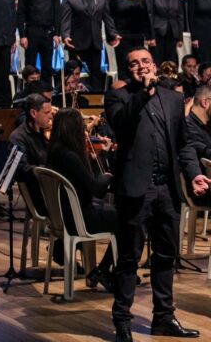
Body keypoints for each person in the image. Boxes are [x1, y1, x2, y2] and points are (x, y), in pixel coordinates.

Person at [104, 47, 209, 341]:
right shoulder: (119, 97)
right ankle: (122, 320)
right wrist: (144, 94)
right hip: (136, 189)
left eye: (146, 61)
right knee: (128, 258)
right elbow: (121, 124)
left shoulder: (174, 99)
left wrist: (193, 173)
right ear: (128, 70)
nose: (141, 66)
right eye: (134, 63)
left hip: (167, 188)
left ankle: (163, 317)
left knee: (165, 256)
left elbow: (184, 143)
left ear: (154, 64)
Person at [46, 108, 117, 292]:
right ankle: (104, 270)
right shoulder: (70, 156)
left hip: (66, 215)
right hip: (80, 218)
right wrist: (108, 176)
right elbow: (95, 188)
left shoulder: (55, 151)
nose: (85, 130)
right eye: (81, 126)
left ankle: (104, 270)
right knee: (131, 218)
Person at [60, 0, 121, 91]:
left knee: (96, 75)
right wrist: (65, 35)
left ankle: (96, 103)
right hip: (76, 43)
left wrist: (113, 34)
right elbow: (65, 20)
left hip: (95, 43)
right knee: (73, 75)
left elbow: (107, 19)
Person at [18, 0, 61, 86]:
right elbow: (20, 12)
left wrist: (57, 34)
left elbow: (57, 12)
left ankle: (47, 97)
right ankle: (29, 95)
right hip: (31, 31)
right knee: (30, 66)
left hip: (48, 31)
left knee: (47, 66)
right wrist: (22, 35)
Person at [109, 0, 149, 79]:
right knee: (124, 66)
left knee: (139, 65)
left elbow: (146, 18)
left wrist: (149, 36)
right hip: (123, 37)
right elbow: (110, 18)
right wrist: (112, 36)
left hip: (138, 36)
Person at [146, 0, 183, 65]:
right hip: (158, 34)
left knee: (171, 62)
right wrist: (151, 37)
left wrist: (180, 37)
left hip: (172, 33)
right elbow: (150, 16)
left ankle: (170, 80)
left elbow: (179, 17)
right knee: (157, 61)